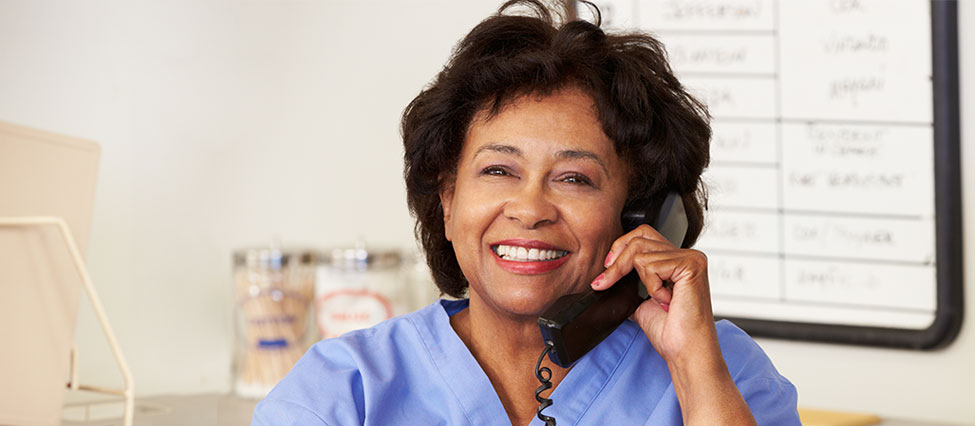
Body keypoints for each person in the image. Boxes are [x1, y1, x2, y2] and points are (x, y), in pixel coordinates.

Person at [252, 1, 799, 424]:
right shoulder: (341, 393)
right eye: (498, 171)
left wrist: (694, 370)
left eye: (574, 179)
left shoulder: (721, 370)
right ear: (447, 200)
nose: (531, 209)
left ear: (638, 216)